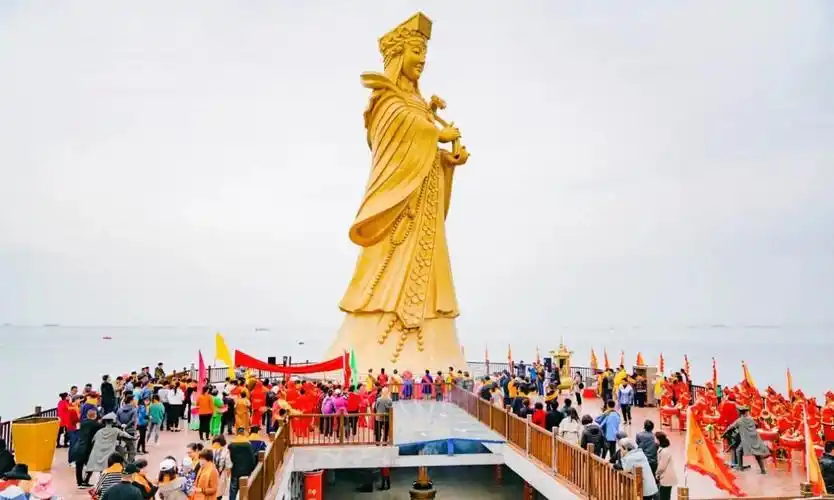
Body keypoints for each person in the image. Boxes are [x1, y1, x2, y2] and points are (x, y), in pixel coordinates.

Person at [87, 413, 136, 481]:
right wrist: (134, 437)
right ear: (113, 422)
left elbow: (93, 440)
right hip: (109, 453)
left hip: (99, 453)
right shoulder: (115, 430)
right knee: (108, 467)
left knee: (99, 469)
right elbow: (126, 435)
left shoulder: (99, 431)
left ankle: (95, 481)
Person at [725, 406, 769, 474]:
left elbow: (731, 427)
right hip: (754, 440)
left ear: (740, 412)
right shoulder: (751, 419)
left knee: (738, 450)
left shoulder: (739, 420)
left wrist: (725, 431)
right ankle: (763, 470)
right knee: (757, 455)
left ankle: (740, 468)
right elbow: (756, 425)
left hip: (746, 441)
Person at [73, 409, 102, 487]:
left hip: (78, 446)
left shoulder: (83, 423)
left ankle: (79, 483)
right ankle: (85, 481)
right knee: (91, 465)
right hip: (88, 448)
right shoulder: (96, 424)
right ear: (95, 415)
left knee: (79, 466)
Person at [228, 428, 256, 500]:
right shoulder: (248, 445)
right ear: (243, 433)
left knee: (233, 489)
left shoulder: (231, 445)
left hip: (235, 470)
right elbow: (252, 459)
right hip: (246, 471)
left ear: (237, 434)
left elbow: (228, 458)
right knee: (246, 489)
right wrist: (252, 468)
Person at [655, 431, 678, 500]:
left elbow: (662, 467)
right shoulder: (664, 450)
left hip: (666, 478)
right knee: (666, 496)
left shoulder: (664, 451)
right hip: (666, 477)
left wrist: (656, 473)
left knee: (664, 496)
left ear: (659, 440)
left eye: (656, 439)